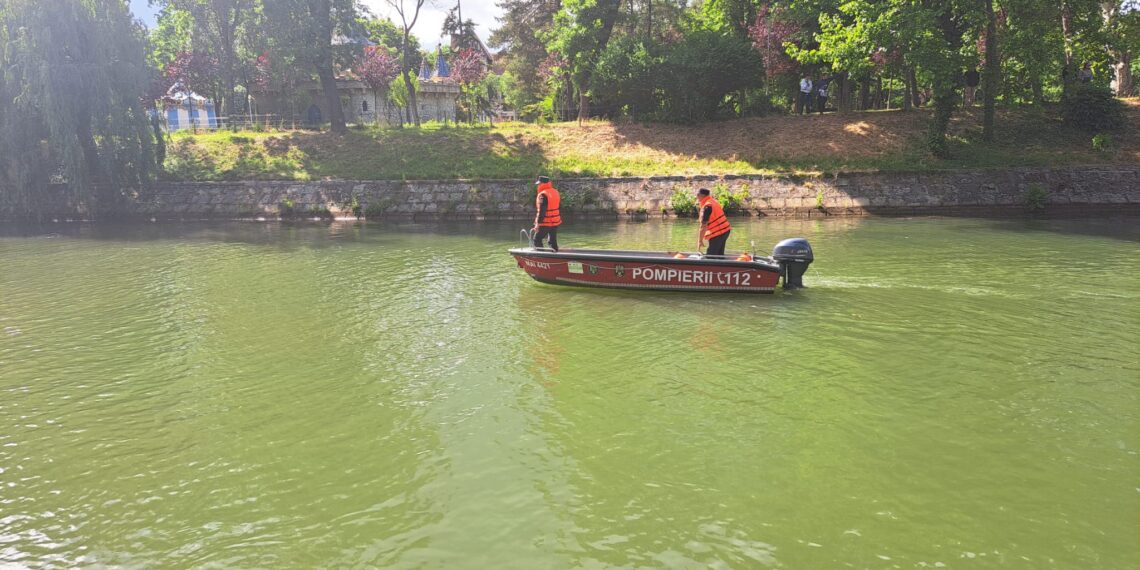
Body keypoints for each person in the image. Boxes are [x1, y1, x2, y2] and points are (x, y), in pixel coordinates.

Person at [695, 188, 731, 256]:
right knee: (719, 254)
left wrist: (700, 241)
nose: (696, 197)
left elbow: (703, 226)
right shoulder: (713, 201)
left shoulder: (707, 206)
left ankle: (710, 265)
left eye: (697, 195)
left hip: (718, 233)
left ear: (702, 195)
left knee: (711, 255)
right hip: (725, 230)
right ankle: (721, 265)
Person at [531, 175, 562, 251]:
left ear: (542, 184)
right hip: (555, 221)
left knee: (537, 239)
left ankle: (540, 257)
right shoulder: (555, 192)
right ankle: (555, 256)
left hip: (545, 222)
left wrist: (538, 223)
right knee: (552, 241)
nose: (538, 185)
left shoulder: (543, 195)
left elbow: (542, 210)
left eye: (539, 184)